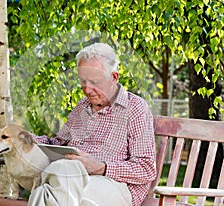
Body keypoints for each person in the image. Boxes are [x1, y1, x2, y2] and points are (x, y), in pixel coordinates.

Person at [28, 43, 156, 206]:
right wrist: (28, 139)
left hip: (115, 185)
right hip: (71, 178)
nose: (87, 90)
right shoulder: (82, 107)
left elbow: (146, 169)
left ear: (114, 77)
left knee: (46, 192)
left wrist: (102, 168)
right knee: (58, 184)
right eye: (83, 81)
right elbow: (58, 144)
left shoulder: (135, 108)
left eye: (95, 82)